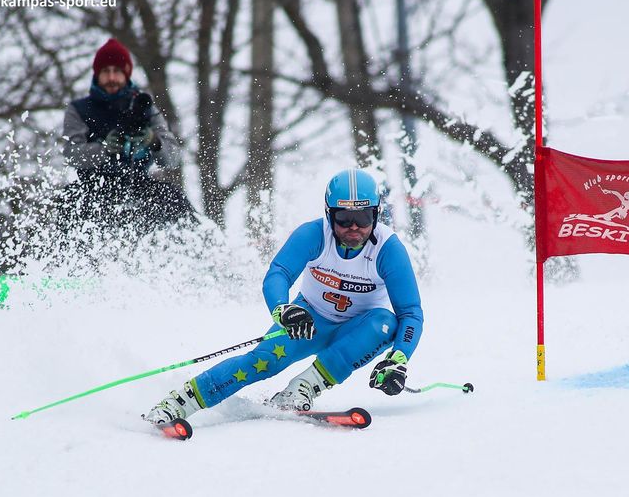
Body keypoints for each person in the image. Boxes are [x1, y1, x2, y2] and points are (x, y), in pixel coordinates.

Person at [144, 168, 424, 423]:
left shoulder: (388, 249)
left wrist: (398, 358)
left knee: (385, 322)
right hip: (307, 321)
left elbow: (411, 314)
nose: (354, 227)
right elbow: (278, 273)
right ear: (329, 215)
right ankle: (178, 404)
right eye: (344, 218)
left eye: (363, 218)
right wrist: (283, 309)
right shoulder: (314, 234)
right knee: (261, 362)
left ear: (376, 214)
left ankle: (302, 388)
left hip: (357, 331)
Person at [59, 38, 194, 233]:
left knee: (173, 198)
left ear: (126, 74)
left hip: (139, 185)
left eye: (117, 71)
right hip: (93, 189)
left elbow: (173, 158)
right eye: (106, 71)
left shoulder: (144, 108)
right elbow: (72, 154)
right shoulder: (80, 110)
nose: (112, 77)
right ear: (97, 75)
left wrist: (153, 141)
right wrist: (104, 149)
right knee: (70, 201)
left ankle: (202, 252)